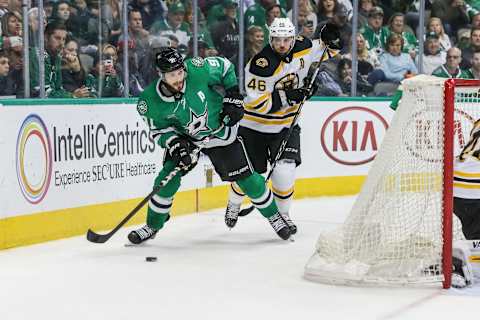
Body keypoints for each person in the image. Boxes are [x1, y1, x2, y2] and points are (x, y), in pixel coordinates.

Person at [128, 47, 293, 244]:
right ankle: (152, 226)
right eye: (172, 75)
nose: (179, 78)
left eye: (180, 72)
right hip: (188, 140)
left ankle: (274, 216)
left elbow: (225, 67)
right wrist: (176, 144)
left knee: (248, 180)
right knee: (166, 180)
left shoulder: (197, 69)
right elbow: (160, 131)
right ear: (160, 75)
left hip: (220, 133)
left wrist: (233, 96)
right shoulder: (148, 102)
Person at [223, 18, 341, 233]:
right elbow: (258, 104)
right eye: (277, 40)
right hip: (254, 127)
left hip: (286, 124)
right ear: (271, 39)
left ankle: (284, 216)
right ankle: (233, 202)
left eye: (286, 39)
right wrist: (292, 96)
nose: (283, 45)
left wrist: (332, 38)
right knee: (247, 176)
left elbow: (327, 50)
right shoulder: (261, 65)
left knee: (285, 170)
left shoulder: (302, 46)